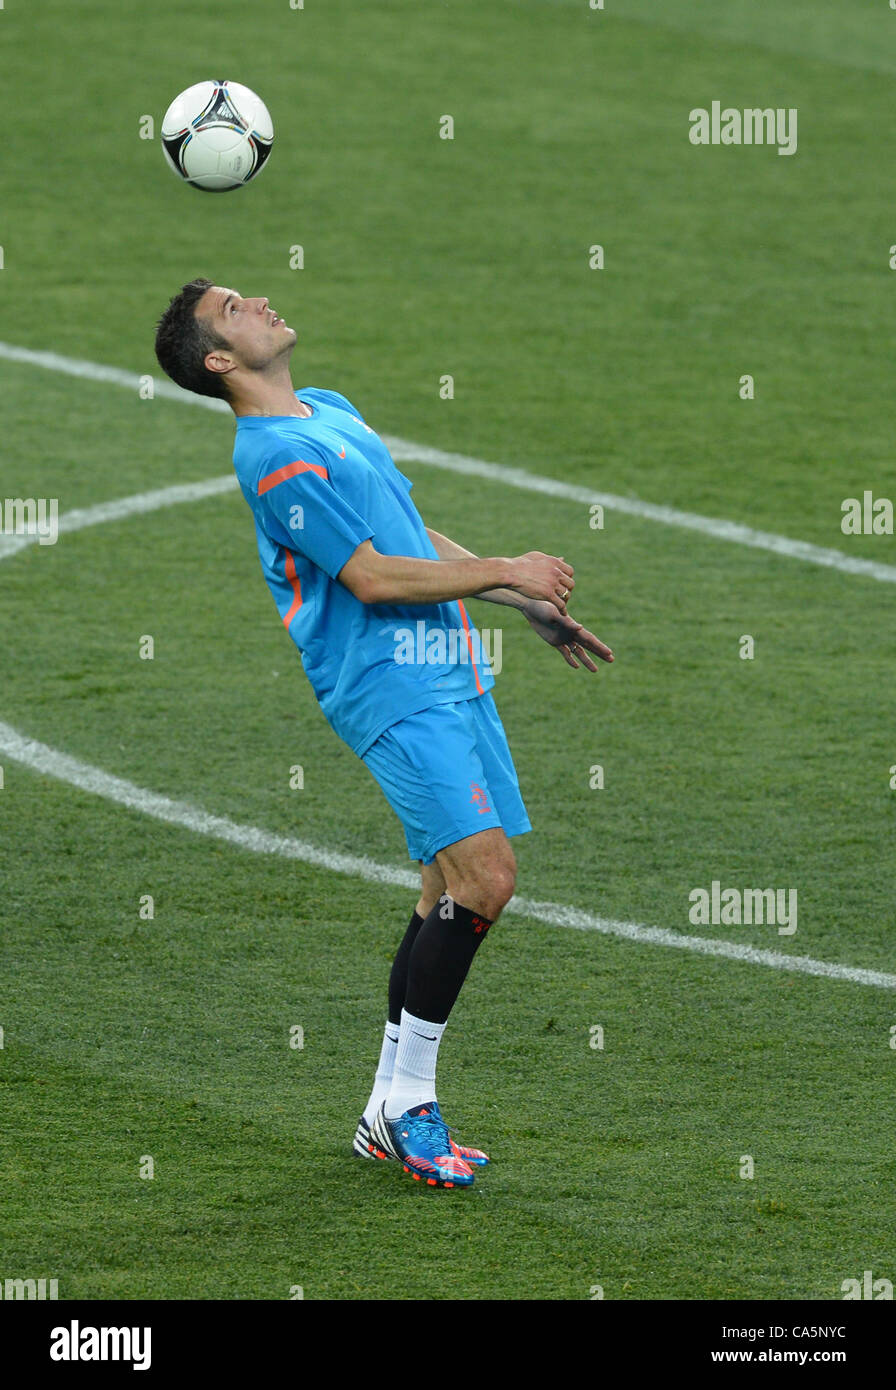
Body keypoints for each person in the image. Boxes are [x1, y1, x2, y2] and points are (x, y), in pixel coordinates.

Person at [154, 279, 614, 1188]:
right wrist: (504, 570)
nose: (263, 302)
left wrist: (516, 595)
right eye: (237, 308)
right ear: (218, 360)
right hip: (388, 686)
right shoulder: (274, 457)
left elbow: (403, 531)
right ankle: (409, 1105)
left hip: (448, 668)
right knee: (486, 878)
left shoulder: (325, 411)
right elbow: (365, 577)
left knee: (443, 887)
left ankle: (385, 1109)